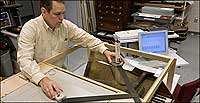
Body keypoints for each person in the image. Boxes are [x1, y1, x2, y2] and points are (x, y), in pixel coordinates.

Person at [17, 0, 123, 100]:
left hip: (58, 72)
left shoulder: (65, 26)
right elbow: (24, 60)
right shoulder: (30, 28)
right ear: (44, 11)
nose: (62, 18)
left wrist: (104, 50)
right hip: (37, 76)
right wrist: (42, 79)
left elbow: (86, 38)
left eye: (63, 13)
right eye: (57, 14)